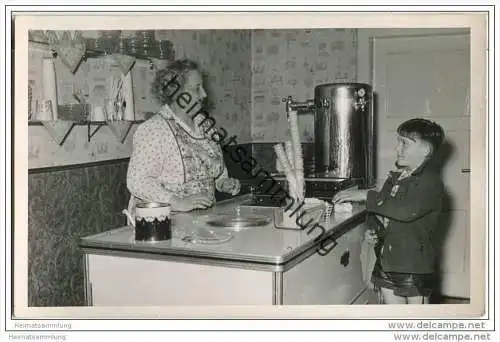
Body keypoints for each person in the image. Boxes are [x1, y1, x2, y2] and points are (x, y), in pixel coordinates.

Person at [333, 118, 445, 304]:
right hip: (387, 261)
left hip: (414, 266)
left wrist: (366, 195)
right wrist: (373, 229)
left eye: (405, 144)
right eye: (398, 142)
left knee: (416, 322)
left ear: (425, 150)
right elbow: (381, 211)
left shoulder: (430, 182)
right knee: (393, 316)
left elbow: (404, 211)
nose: (397, 148)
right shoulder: (395, 177)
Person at [126, 59, 241, 216]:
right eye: (197, 88)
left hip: (200, 221)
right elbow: (137, 181)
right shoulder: (154, 130)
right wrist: (177, 202)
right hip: (163, 224)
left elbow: (213, 173)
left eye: (203, 87)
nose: (204, 94)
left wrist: (223, 183)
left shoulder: (205, 127)